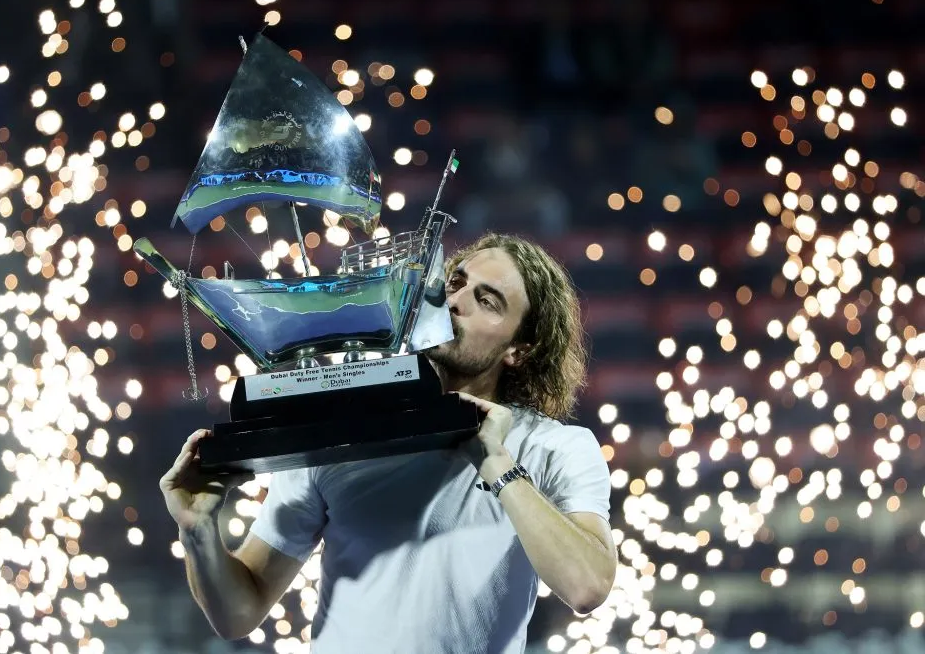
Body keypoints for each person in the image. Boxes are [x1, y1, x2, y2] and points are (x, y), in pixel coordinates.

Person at [161, 233, 617, 653]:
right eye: (455, 283)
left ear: (521, 350)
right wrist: (198, 531)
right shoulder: (335, 430)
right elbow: (239, 613)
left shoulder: (557, 447)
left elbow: (586, 587)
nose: (456, 302)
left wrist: (497, 464)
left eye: (488, 301)